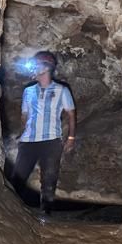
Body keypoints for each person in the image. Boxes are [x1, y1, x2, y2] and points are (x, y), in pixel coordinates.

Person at [11, 50, 76, 220]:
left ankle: (45, 214)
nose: (33, 69)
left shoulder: (62, 90)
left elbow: (71, 114)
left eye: (36, 65)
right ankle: (11, 212)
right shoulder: (28, 91)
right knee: (18, 177)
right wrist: (22, 132)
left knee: (49, 179)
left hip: (51, 141)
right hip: (29, 141)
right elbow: (24, 115)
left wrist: (71, 138)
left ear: (46, 68)